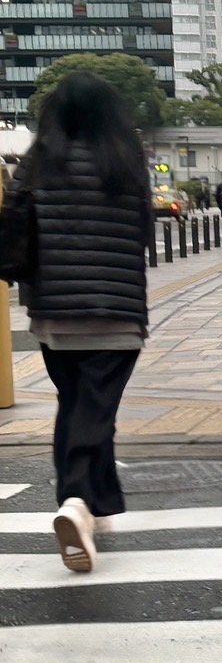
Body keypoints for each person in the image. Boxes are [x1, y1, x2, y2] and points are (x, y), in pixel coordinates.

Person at [15, 71, 152, 572]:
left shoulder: (37, 161)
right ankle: (76, 499)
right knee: (94, 408)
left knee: (76, 404)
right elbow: (142, 233)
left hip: (54, 311)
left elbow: (17, 227)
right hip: (115, 308)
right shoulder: (125, 160)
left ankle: (95, 503)